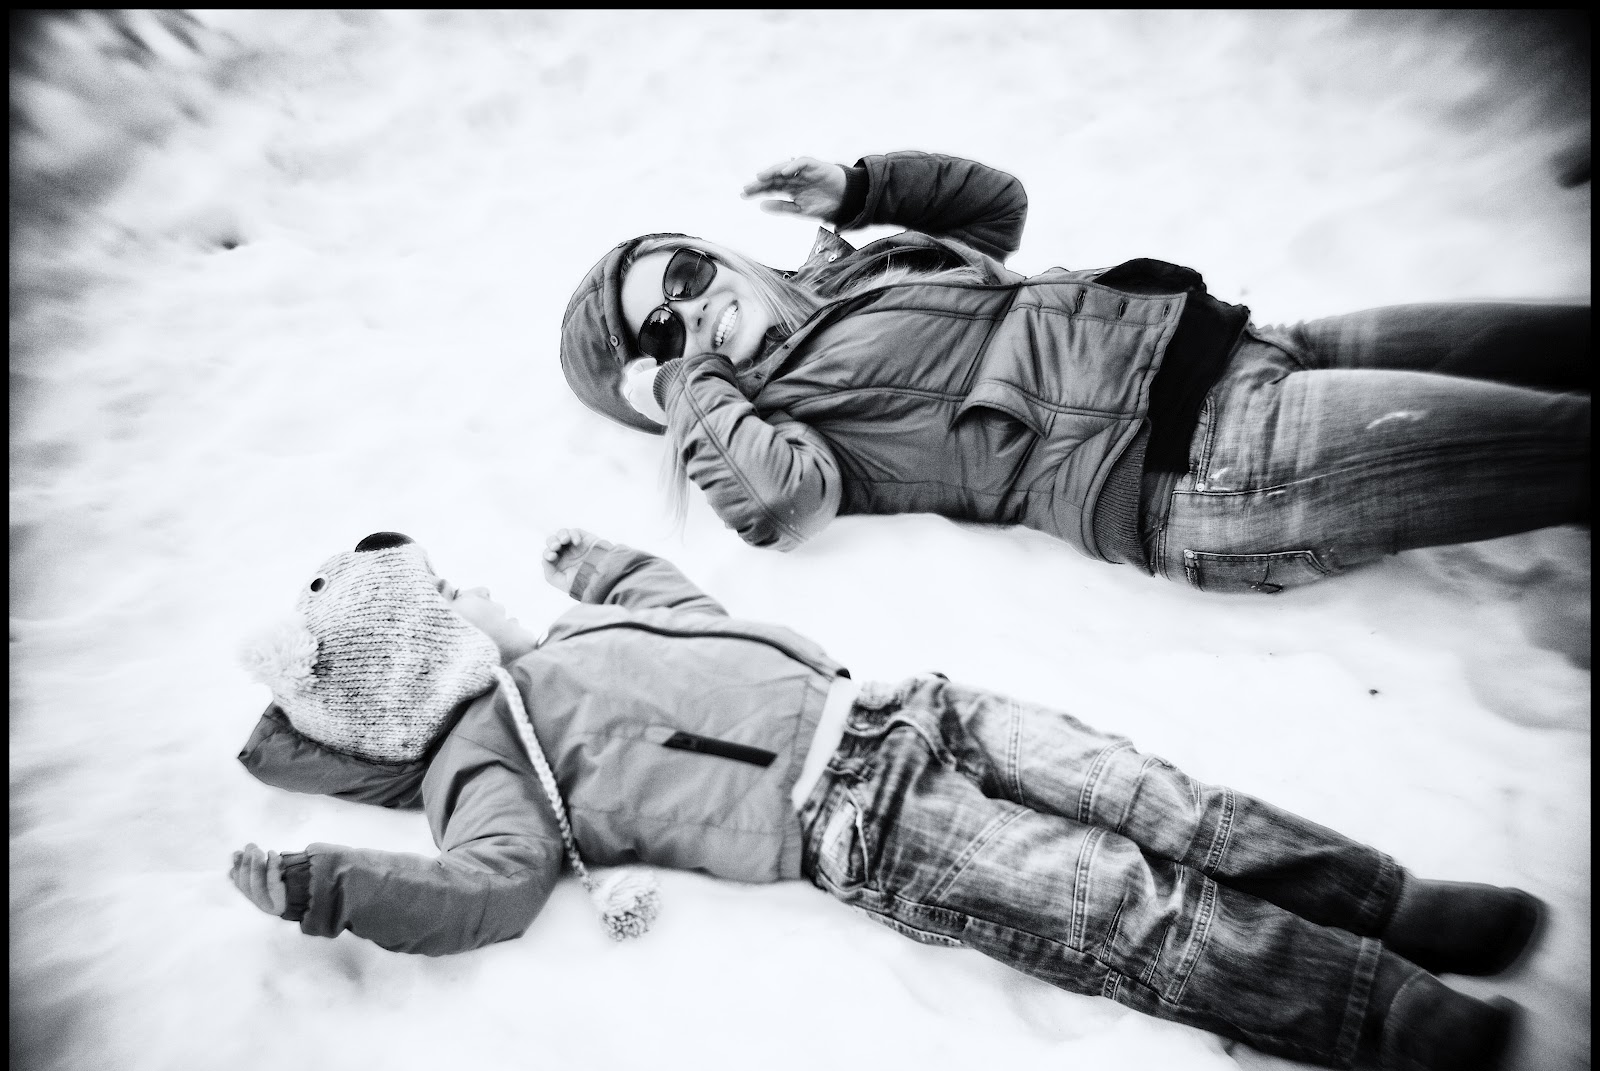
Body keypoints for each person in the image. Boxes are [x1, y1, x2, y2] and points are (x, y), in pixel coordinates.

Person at [231, 527, 1544, 1071]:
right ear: (423, 659)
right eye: (444, 595)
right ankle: (1385, 1009)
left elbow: (692, 612)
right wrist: (330, 884)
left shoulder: (573, 636)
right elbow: (487, 887)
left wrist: (606, 565)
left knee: (1152, 795)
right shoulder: (484, 764)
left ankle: (1382, 899)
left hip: (906, 707)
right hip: (861, 822)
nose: (471, 588)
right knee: (1112, 902)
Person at [559, 151, 1589, 593]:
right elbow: (783, 504)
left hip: (1239, 345)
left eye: (684, 274)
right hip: (1207, 467)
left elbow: (994, 209)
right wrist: (691, 388)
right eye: (662, 332)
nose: (693, 311)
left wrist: (865, 188)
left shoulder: (846, 276)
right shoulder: (775, 417)